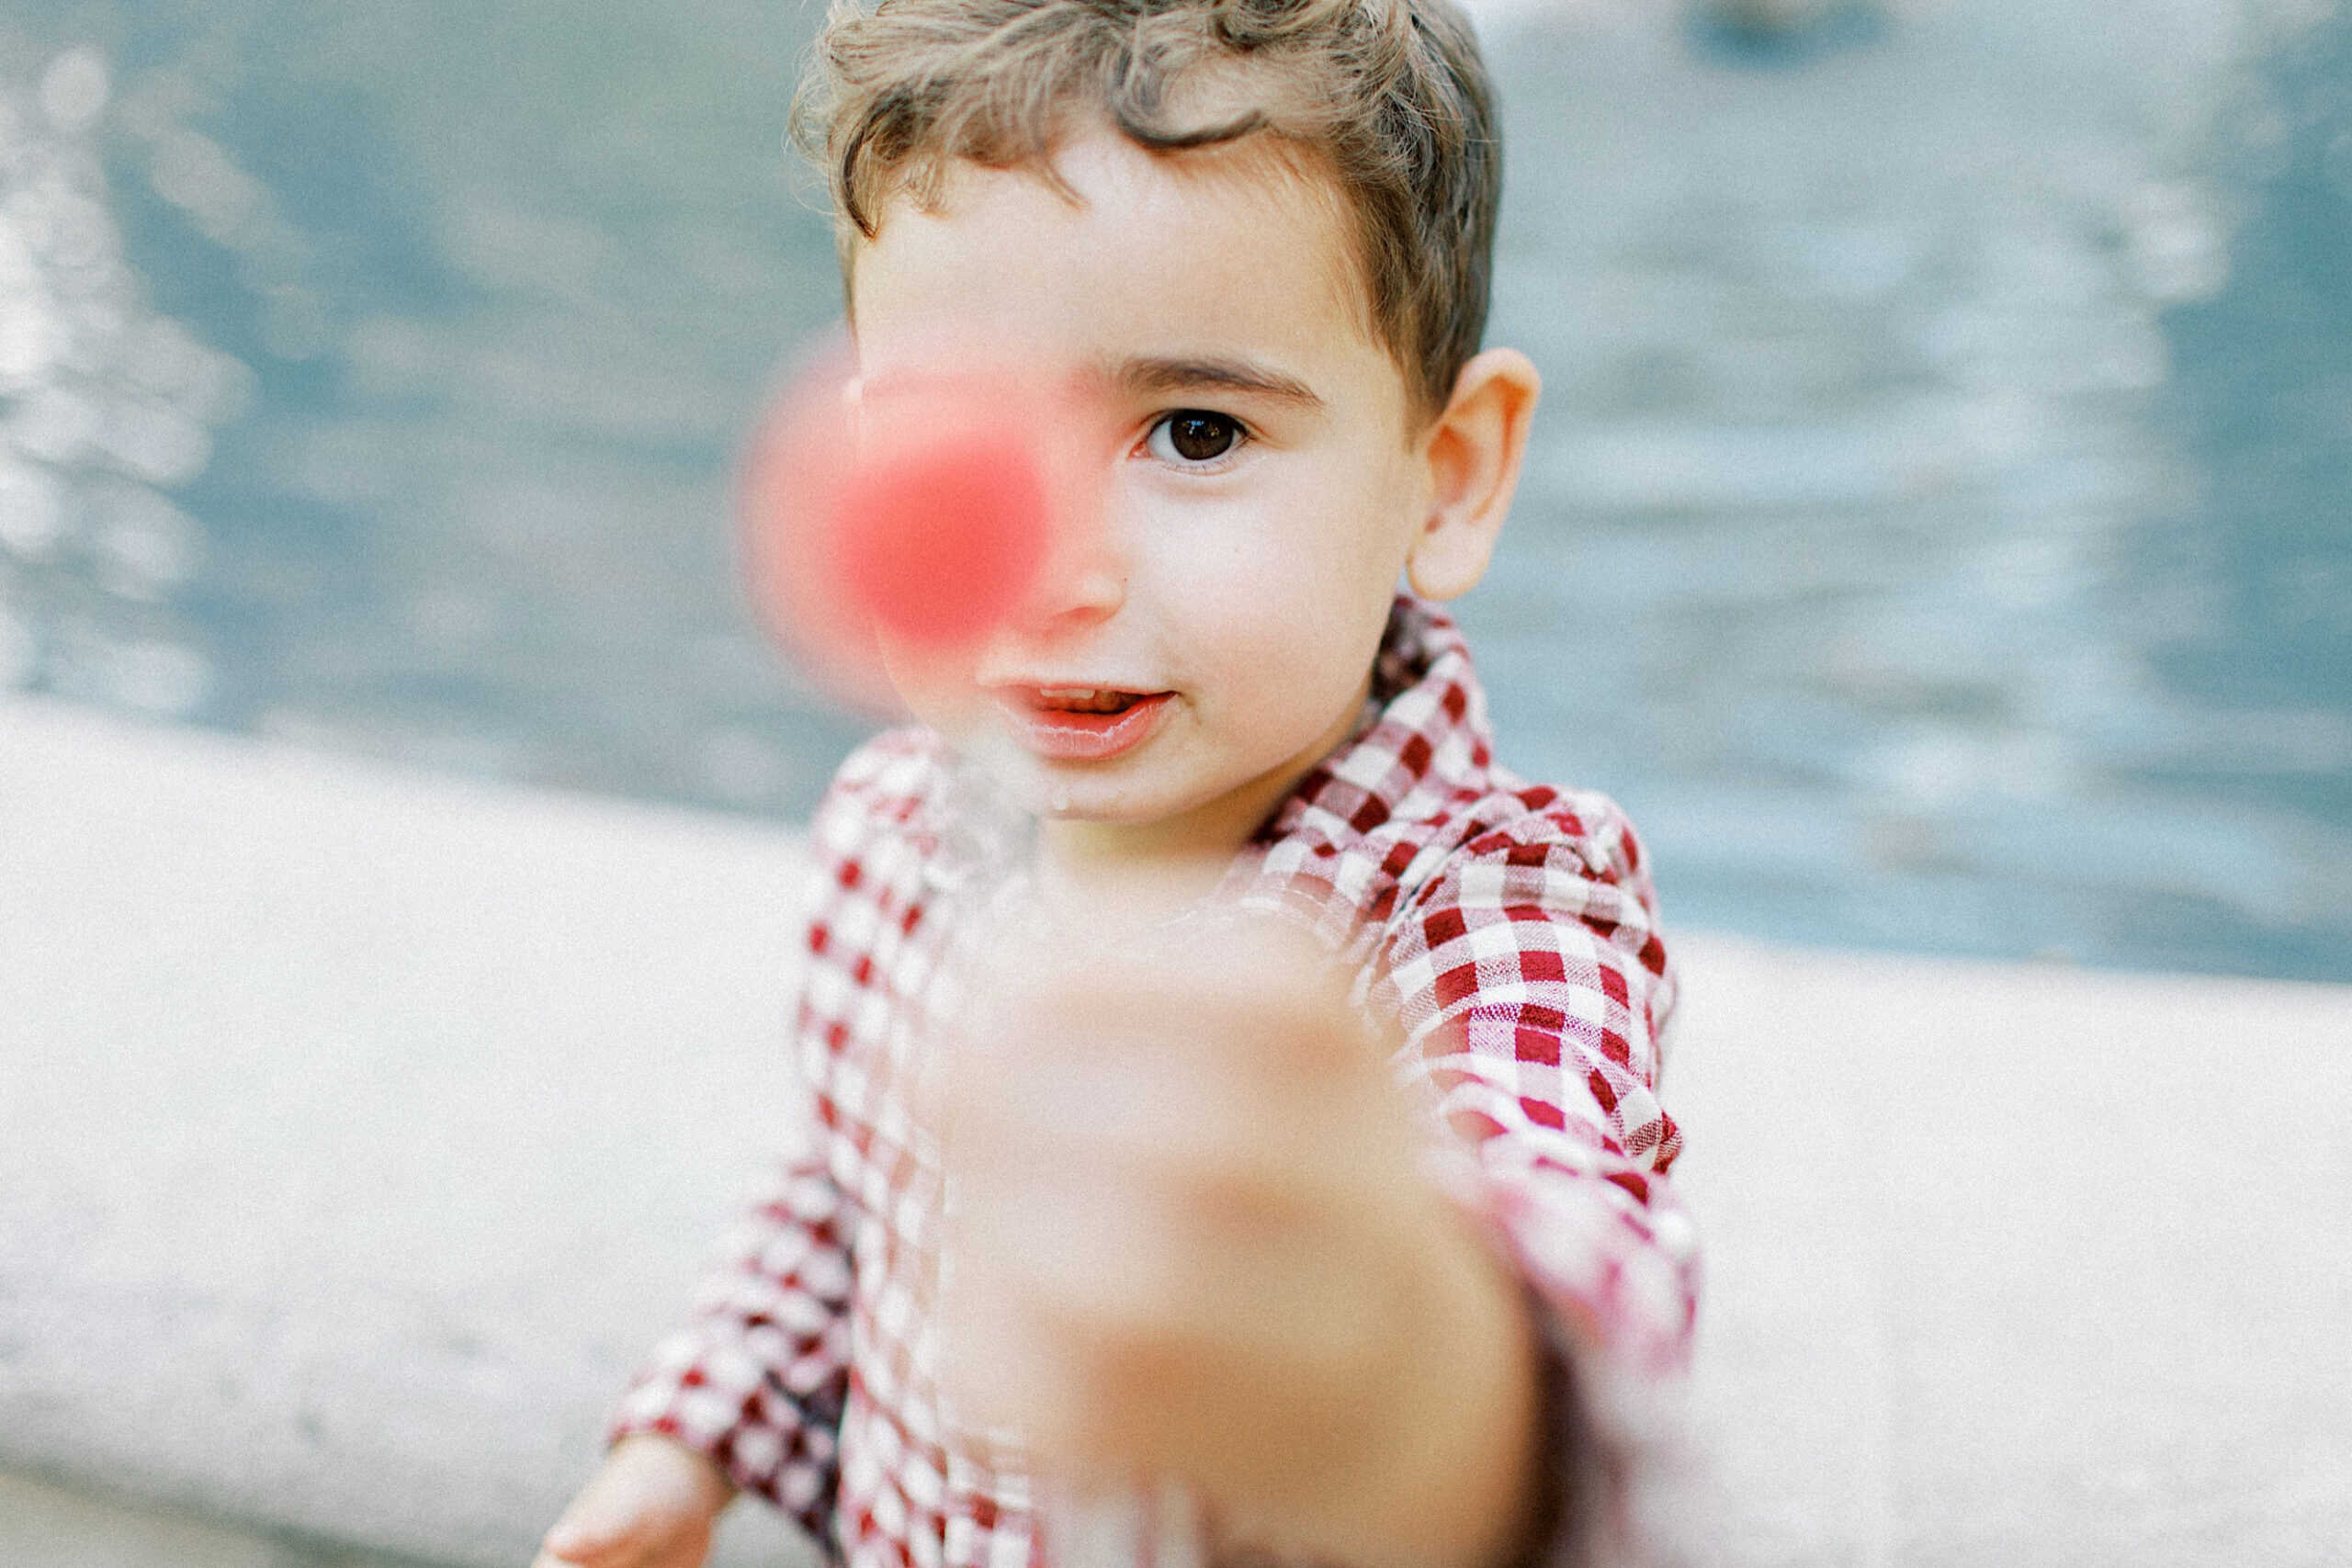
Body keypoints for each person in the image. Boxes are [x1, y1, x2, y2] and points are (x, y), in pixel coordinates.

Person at [534, 1, 1698, 1563]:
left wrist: (1399, 1372)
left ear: (1451, 474)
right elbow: (848, 1191)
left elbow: (1561, 1253)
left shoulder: (1485, 909)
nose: (1059, 571)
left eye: (1197, 431)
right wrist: (695, 1436)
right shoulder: (904, 833)